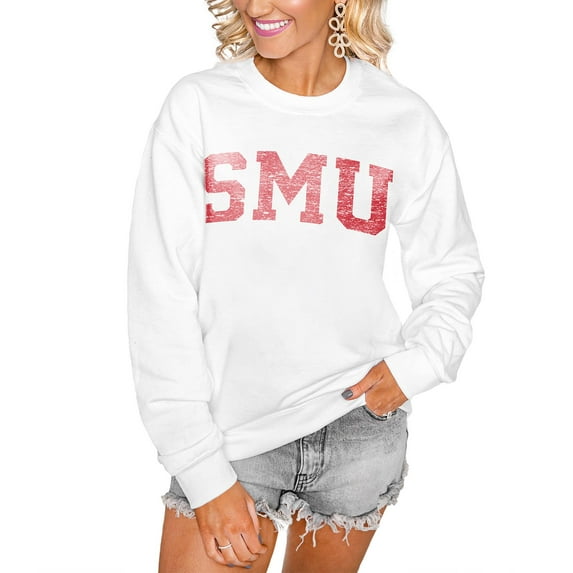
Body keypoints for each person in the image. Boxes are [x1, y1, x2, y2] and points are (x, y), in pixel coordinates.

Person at [127, 0, 485, 571]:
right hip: (231, 438)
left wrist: (422, 363)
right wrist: (200, 468)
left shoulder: (402, 118)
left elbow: (453, 269)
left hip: (359, 433)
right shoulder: (200, 106)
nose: (256, 6)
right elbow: (161, 293)